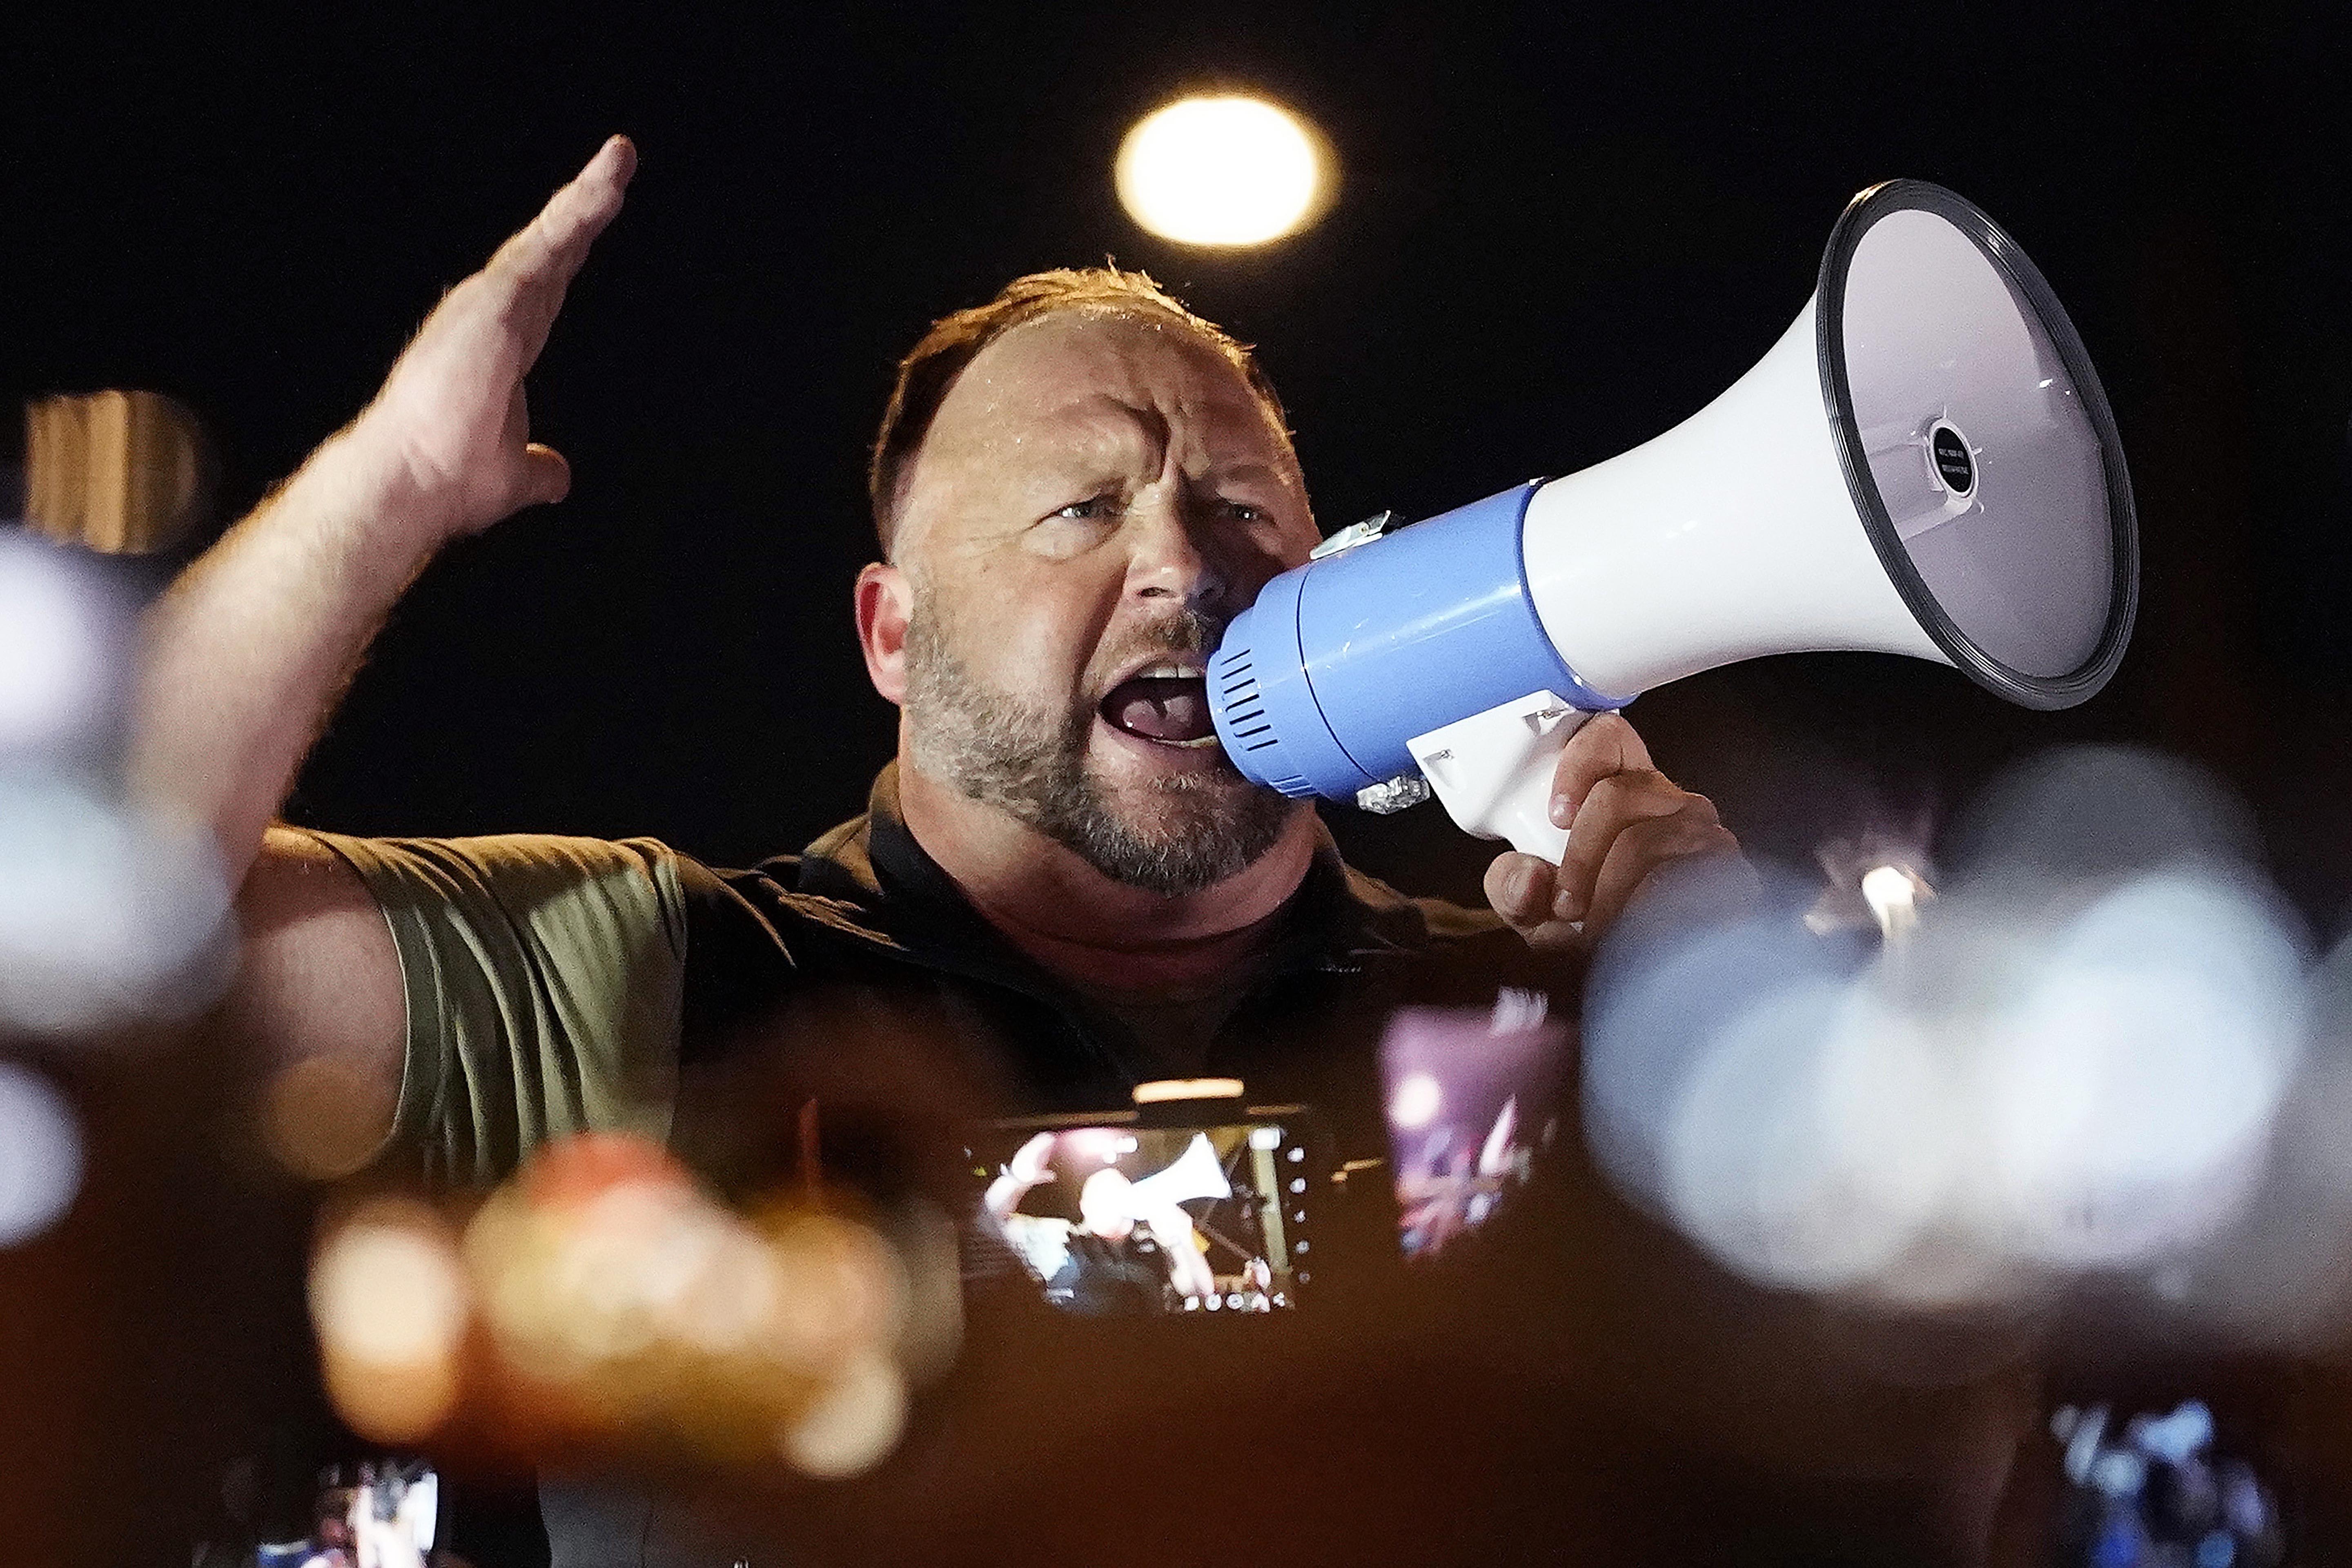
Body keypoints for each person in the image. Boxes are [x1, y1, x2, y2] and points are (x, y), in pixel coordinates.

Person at [134, 138, 1770, 1561]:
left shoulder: (1515, 1013)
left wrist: (1734, 1051)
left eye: (1246, 511)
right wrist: (392, 486)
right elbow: (99, 900)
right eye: (1079, 510)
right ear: (892, 636)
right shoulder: (641, 974)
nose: (1186, 572)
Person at [981, 1131, 1218, 1313]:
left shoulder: (1155, 1242)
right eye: (1103, 1195)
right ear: (1085, 1206)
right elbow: (990, 1220)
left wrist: (1183, 1241)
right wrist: (1017, 1178)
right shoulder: (1057, 1236)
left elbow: (1202, 1294)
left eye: (1120, 1192)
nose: (1114, 1200)